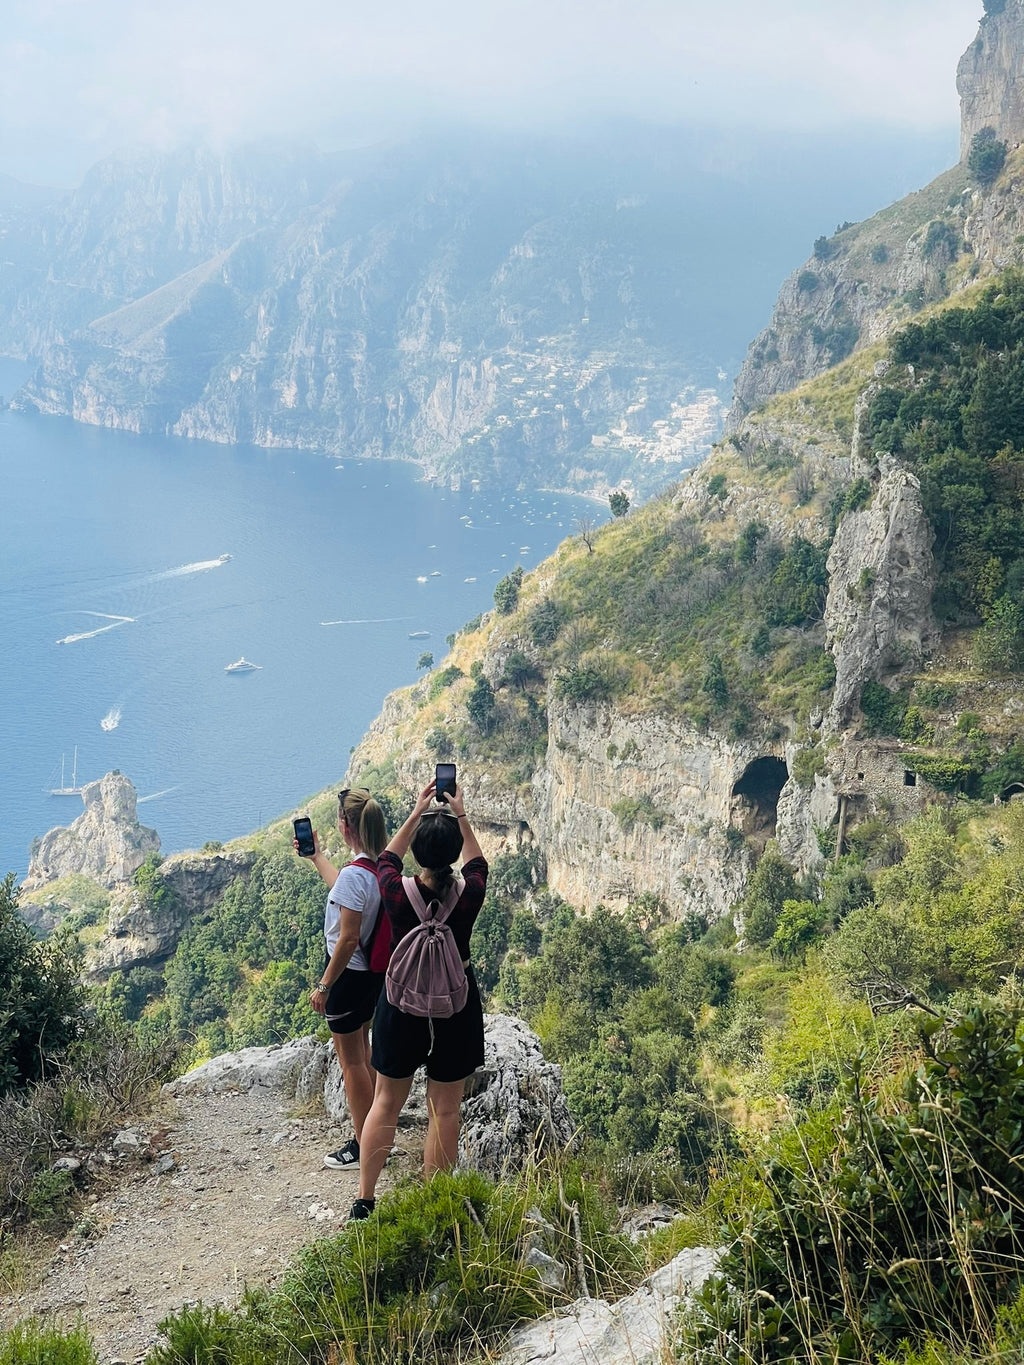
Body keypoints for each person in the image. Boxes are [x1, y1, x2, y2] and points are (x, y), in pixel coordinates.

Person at [348, 780, 488, 1221]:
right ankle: (433, 1204)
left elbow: (386, 859)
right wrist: (459, 814)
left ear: (417, 854)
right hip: (455, 1010)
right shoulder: (469, 896)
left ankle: (365, 1200)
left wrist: (416, 813)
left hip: (401, 1008)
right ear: (452, 853)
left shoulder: (395, 890)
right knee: (445, 1110)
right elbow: (478, 865)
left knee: (386, 1103)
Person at [294, 787, 388, 1170]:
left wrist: (323, 986)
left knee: (352, 1065)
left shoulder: (355, 876)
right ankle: (378, 1138)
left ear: (346, 826)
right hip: (370, 977)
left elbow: (347, 939)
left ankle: (365, 1146)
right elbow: (344, 888)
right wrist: (317, 857)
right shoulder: (379, 867)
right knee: (363, 1055)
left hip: (346, 979)